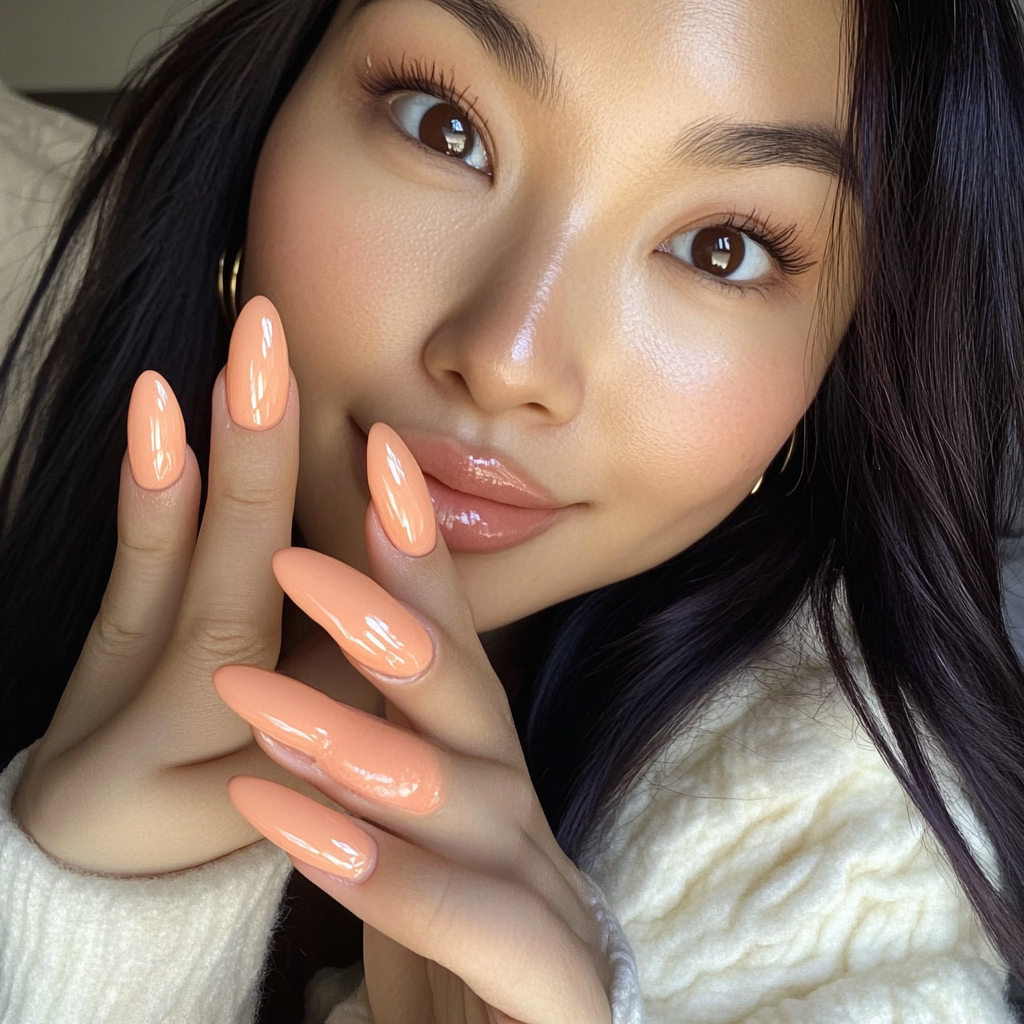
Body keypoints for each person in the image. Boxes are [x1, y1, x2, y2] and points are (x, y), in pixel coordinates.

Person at [1, 0, 1024, 1020]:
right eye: (444, 126)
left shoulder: (854, 855)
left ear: (836, 362)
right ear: (277, 96)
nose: (506, 359)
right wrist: (86, 906)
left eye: (722, 247)